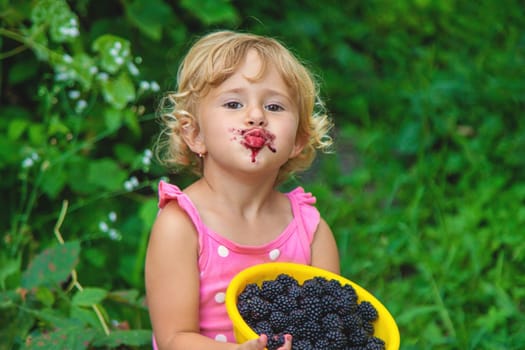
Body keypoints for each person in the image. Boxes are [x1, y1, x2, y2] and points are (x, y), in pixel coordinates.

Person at [145, 30, 340, 350]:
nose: (256, 116)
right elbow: (174, 339)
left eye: (275, 107)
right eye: (234, 103)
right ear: (195, 135)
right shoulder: (180, 226)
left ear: (299, 140)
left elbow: (330, 328)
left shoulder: (311, 232)